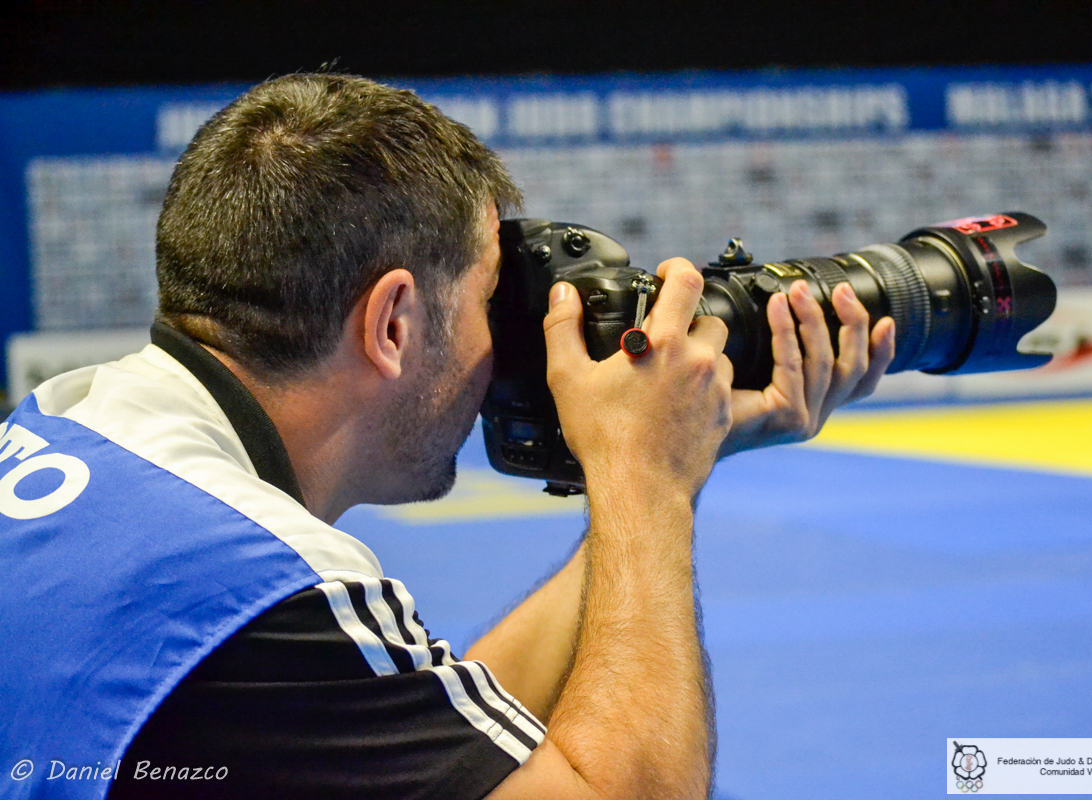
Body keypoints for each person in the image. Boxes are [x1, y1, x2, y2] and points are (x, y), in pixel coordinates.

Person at [0, 73, 894, 800]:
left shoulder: (71, 421)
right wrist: (647, 482)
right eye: (490, 301)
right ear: (393, 324)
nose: (508, 347)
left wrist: (666, 468)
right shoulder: (268, 587)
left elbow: (415, 744)